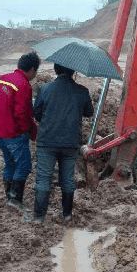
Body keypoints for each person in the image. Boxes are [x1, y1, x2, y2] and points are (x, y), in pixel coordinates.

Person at [29, 63, 93, 223]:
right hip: (71, 143)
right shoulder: (82, 91)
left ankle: (38, 217)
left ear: (56, 70)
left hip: (47, 141)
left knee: (44, 179)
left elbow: (36, 113)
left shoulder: (45, 89)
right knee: (67, 180)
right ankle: (67, 214)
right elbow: (89, 112)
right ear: (73, 71)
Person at [0, 52, 40, 209]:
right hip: (14, 133)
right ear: (32, 69)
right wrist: (28, 130)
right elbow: (22, 113)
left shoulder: (1, 79)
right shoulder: (24, 85)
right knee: (24, 165)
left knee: (10, 164)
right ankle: (14, 200)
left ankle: (9, 197)